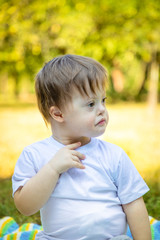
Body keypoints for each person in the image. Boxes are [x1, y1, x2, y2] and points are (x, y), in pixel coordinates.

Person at [12, 54, 151, 240]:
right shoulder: (35, 155)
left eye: (103, 100)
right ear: (58, 113)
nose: (102, 109)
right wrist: (52, 169)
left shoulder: (113, 155)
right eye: (91, 104)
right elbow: (25, 207)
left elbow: (133, 203)